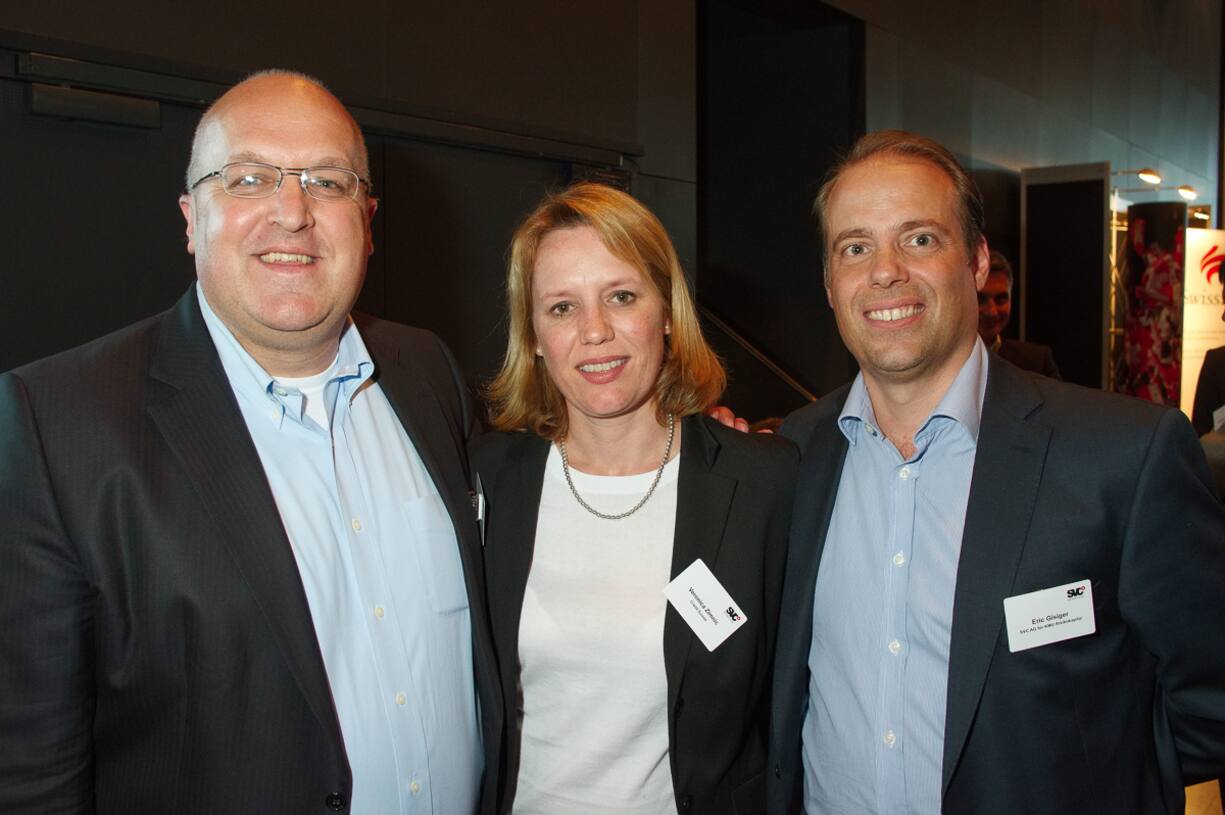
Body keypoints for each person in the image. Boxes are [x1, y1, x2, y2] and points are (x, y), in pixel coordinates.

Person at [0, 71, 500, 814]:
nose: (292, 212)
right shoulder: (57, 424)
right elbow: (31, 773)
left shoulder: (428, 372)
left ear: (367, 222)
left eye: (327, 182)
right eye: (248, 179)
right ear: (191, 217)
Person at [767, 130, 1225, 814]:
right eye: (854, 248)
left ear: (977, 261)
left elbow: (1208, 701)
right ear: (830, 283)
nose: (885, 271)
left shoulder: (1123, 456)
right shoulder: (794, 455)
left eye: (919, 238)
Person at [474, 183, 797, 815]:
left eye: (621, 297)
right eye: (562, 308)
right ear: (534, 335)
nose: (595, 331)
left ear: (667, 313)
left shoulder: (763, 484)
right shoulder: (486, 481)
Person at [977, 250, 1061, 378]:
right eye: (981, 300)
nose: (992, 312)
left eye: (1000, 299)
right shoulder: (945, 360)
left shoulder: (1036, 362)